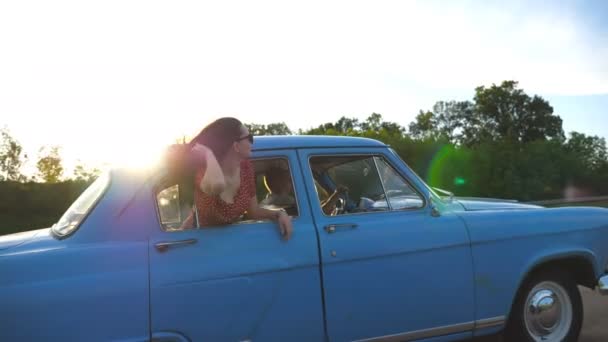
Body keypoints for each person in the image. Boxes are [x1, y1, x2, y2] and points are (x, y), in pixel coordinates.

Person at [180, 117, 293, 240]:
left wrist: (279, 213)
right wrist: (209, 154)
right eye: (249, 138)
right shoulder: (206, 172)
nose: (252, 142)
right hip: (200, 243)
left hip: (230, 240)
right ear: (236, 146)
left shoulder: (246, 168)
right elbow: (218, 185)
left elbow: (254, 211)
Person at [262, 167, 348, 215]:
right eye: (289, 179)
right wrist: (337, 194)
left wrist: (327, 201)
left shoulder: (271, 201)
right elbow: (318, 214)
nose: (292, 182)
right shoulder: (283, 202)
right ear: (279, 183)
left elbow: (310, 210)